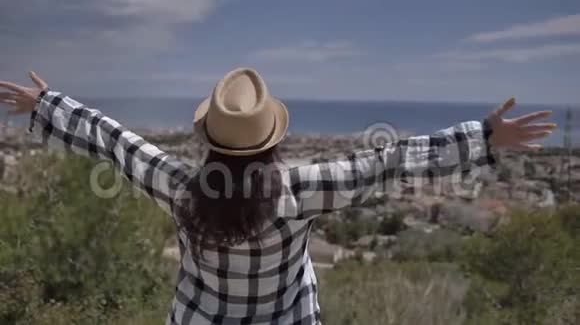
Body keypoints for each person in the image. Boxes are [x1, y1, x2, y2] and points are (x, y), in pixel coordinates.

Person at [0, 68, 555, 325]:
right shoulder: (302, 191)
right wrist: (483, 138)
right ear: (273, 143)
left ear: (208, 140)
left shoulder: (180, 187)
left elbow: (115, 141)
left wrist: (47, 105)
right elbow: (389, 163)